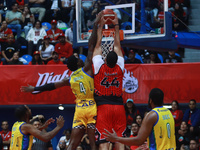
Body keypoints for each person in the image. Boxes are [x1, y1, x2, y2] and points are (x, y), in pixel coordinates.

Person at [20, 12, 103, 150]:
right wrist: (95, 25)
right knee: (93, 143)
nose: (80, 59)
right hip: (91, 107)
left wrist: (34, 89)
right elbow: (91, 44)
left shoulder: (69, 79)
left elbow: (50, 86)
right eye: (77, 59)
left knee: (72, 145)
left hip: (79, 110)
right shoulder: (87, 68)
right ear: (77, 64)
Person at [92, 13, 126, 150]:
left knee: (104, 142)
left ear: (105, 59)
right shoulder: (120, 67)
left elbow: (98, 45)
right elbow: (117, 44)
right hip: (118, 107)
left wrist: (100, 26)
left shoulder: (99, 66)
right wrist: (116, 25)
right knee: (119, 141)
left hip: (103, 107)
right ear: (117, 60)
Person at [103, 88, 176, 150]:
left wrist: (117, 139)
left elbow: (138, 140)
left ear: (150, 100)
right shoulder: (168, 112)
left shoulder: (151, 115)